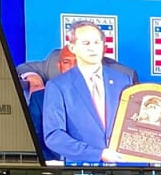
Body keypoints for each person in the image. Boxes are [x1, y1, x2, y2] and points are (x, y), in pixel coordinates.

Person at [41, 21, 133, 165]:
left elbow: (134, 122)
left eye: (97, 42)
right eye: (86, 43)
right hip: (81, 168)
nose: (92, 48)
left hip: (124, 168)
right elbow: (54, 136)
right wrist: (98, 154)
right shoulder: (58, 86)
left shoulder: (123, 80)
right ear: (73, 47)